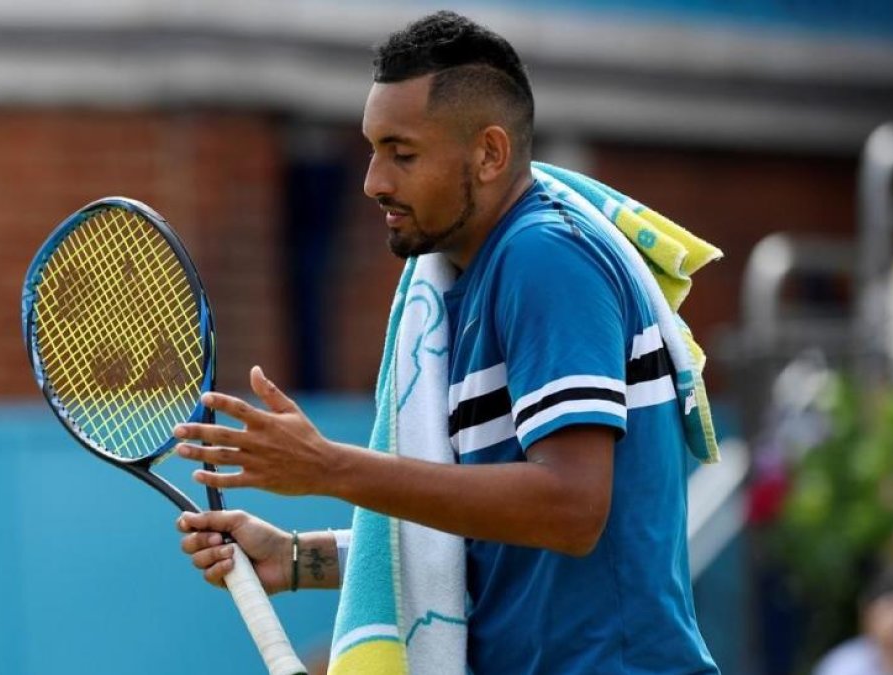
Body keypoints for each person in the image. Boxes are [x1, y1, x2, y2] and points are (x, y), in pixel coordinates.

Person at [174, 11, 718, 674]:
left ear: (489, 153)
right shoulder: (459, 283)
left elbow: (572, 508)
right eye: (373, 149)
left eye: (402, 154)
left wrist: (328, 467)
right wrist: (295, 556)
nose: (374, 180)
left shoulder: (544, 257)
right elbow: (489, 539)